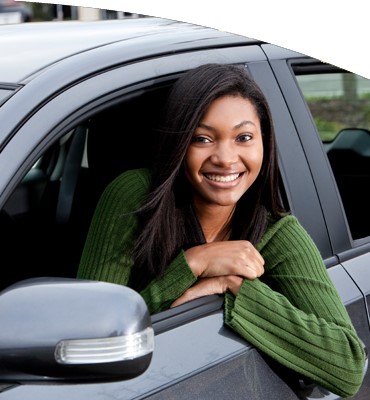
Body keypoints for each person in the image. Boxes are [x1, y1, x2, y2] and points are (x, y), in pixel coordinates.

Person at [77, 63, 365, 397]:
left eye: (243, 137)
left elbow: (348, 366)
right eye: (203, 138)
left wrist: (234, 286)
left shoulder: (277, 234)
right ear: (180, 143)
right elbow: (89, 342)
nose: (226, 158)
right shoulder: (135, 198)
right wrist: (192, 265)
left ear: (264, 144)